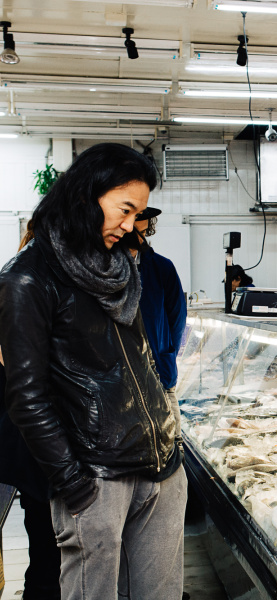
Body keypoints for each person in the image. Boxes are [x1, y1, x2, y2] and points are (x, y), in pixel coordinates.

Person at [0, 143, 186, 600]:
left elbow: (141, 359)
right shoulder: (27, 278)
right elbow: (26, 395)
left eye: (138, 213)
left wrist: (169, 438)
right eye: (125, 209)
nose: (130, 226)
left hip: (161, 466)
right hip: (96, 478)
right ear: (87, 194)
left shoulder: (120, 267)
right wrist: (72, 483)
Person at [0, 225, 61, 600]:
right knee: (46, 541)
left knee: (42, 537)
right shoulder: (24, 284)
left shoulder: (21, 278)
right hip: (30, 437)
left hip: (22, 436)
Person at [132, 206, 187, 443]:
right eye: (134, 232)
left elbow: (177, 319)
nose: (140, 238)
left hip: (161, 375)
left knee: (173, 442)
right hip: (124, 383)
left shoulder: (162, 267)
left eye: (143, 232)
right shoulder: (105, 269)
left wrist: (166, 353)